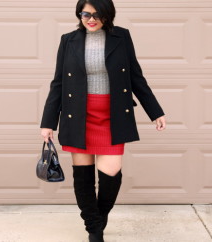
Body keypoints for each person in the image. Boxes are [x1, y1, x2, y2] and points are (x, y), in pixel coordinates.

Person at [40, 0, 166, 241]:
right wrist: (48, 122)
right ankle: (94, 229)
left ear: (108, 15)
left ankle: (98, 216)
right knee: (83, 175)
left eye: (97, 14)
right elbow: (58, 83)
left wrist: (155, 111)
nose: (90, 19)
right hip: (78, 115)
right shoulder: (69, 40)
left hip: (112, 115)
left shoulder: (122, 37)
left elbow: (136, 76)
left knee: (110, 173)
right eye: (85, 13)